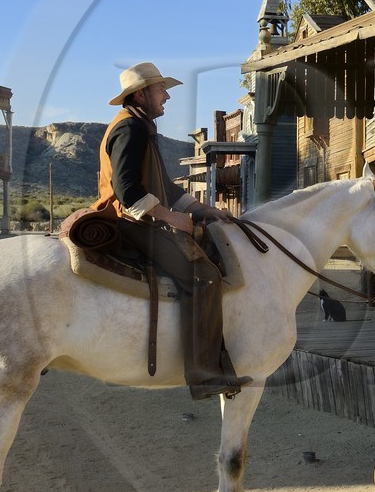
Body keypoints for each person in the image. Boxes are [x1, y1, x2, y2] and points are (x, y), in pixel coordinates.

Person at [91, 62, 253, 400]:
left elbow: (165, 186)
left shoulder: (142, 127)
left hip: (140, 218)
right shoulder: (130, 129)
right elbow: (126, 190)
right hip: (130, 222)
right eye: (160, 89)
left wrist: (203, 209)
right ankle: (205, 376)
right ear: (140, 94)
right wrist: (167, 217)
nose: (166, 96)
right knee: (204, 276)